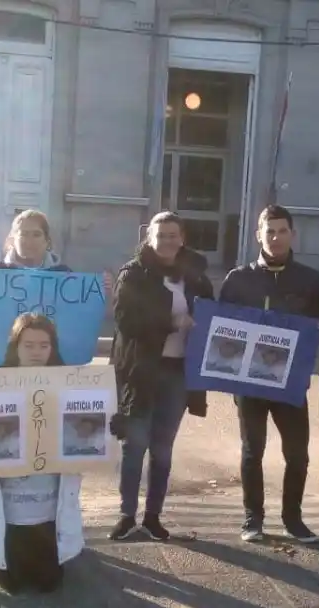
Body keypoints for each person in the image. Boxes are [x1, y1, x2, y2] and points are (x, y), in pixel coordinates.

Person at [0, 313, 127, 594]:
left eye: (43, 345)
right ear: (16, 346)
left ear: (52, 348)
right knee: (12, 580)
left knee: (49, 581)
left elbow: (88, 425)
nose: (36, 352)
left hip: (49, 494)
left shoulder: (71, 383)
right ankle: (4, 560)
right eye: (29, 345)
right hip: (8, 495)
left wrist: (109, 424)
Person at [218, 205, 319, 543]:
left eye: (282, 231)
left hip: (290, 381)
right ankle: (253, 518)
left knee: (297, 453)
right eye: (270, 231)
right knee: (253, 450)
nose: (276, 237)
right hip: (249, 381)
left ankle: (293, 519)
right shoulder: (238, 279)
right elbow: (222, 330)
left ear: (292, 234)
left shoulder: (310, 280)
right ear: (258, 235)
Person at [110, 211, 215, 541]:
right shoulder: (134, 273)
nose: (168, 241)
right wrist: (170, 323)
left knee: (163, 448)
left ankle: (153, 516)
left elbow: (213, 314)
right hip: (142, 371)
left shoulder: (196, 275)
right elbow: (125, 320)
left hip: (177, 372)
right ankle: (127, 515)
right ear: (149, 238)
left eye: (173, 234)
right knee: (135, 444)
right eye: (161, 235)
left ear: (182, 237)